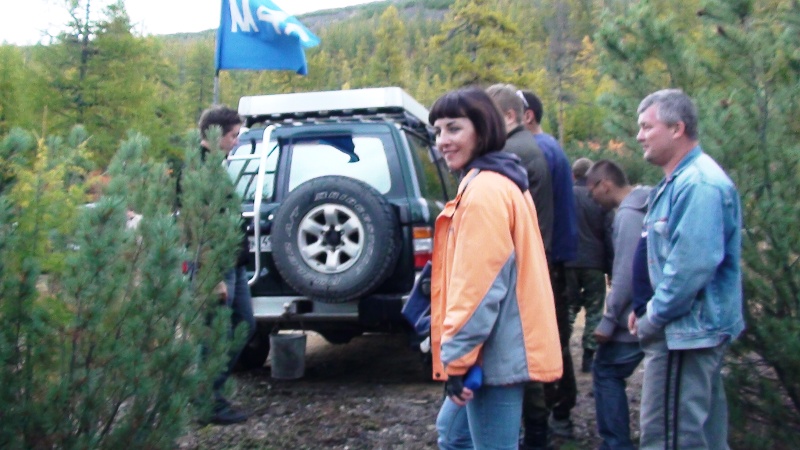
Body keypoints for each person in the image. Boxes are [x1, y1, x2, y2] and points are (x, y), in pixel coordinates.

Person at [428, 87, 562, 450]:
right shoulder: (499, 180)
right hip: (494, 345)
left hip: (494, 353)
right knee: (452, 434)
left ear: (483, 128)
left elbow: (478, 288)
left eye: (454, 128)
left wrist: (457, 361)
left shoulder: (485, 192)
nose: (443, 141)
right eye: (438, 131)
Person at [631, 89, 744, 450]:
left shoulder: (699, 185)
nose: (639, 136)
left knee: (670, 439)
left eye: (647, 126)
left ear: (677, 128)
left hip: (683, 335)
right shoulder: (678, 182)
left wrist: (653, 316)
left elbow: (689, 270)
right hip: (683, 332)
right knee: (701, 438)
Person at [518, 90, 580, 444]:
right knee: (555, 337)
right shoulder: (550, 147)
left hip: (548, 260)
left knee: (547, 339)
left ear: (526, 115)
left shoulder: (537, 150)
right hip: (558, 257)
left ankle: (554, 415)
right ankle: (559, 413)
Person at [583, 159, 650, 450]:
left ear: (605, 185)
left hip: (636, 316)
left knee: (606, 370)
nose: (591, 197)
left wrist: (609, 320)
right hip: (650, 311)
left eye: (591, 191)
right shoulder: (646, 202)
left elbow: (626, 273)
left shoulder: (628, 216)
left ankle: (616, 444)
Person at [197, 105, 256, 425]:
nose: (236, 141)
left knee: (244, 324)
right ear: (214, 133)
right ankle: (206, 402)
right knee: (216, 333)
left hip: (234, 263)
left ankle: (210, 394)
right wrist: (212, 276)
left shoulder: (217, 167)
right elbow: (197, 226)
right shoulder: (198, 170)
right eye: (233, 135)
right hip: (216, 267)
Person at [565, 157, 613, 376]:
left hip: (568, 261)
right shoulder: (599, 197)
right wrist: (611, 268)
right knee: (594, 309)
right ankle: (588, 357)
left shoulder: (564, 196)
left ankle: (562, 351)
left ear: (573, 175)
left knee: (568, 306)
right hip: (595, 263)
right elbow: (609, 234)